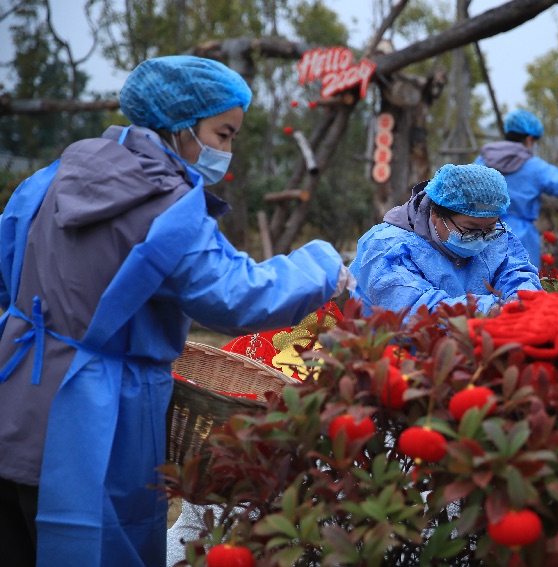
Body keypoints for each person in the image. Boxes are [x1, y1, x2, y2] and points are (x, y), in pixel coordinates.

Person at [0, 55, 353, 567]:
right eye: (224, 133)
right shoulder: (164, 206)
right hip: (92, 417)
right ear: (182, 126)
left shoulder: (52, 177)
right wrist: (321, 267)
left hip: (14, 393)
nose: (227, 151)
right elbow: (236, 294)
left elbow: (9, 260)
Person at [349, 163, 541, 317]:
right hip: (395, 356)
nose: (482, 239)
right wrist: (488, 310)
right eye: (470, 230)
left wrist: (521, 299)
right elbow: (415, 310)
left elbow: (516, 272)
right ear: (435, 215)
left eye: (489, 229)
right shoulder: (385, 248)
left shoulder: (496, 235)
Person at [474, 109, 558, 269]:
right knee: (523, 289)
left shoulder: (482, 161)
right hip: (520, 239)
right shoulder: (533, 167)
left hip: (480, 234)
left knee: (481, 289)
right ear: (529, 139)